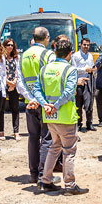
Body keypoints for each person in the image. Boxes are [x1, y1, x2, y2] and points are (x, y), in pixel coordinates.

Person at [34, 39, 88, 195]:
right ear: (70, 54)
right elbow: (68, 92)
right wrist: (55, 106)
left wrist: (46, 105)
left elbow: (37, 90)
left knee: (54, 146)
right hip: (65, 116)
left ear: (55, 52)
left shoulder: (44, 69)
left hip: (49, 116)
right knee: (69, 150)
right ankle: (70, 185)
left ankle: (46, 180)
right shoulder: (70, 70)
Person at [16, 27, 57, 184]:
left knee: (33, 138)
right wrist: (41, 100)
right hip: (46, 103)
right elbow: (52, 79)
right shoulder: (48, 54)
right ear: (46, 38)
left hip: (30, 103)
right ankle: (43, 174)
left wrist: (30, 98)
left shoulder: (23, 56)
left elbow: (19, 82)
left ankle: (33, 173)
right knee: (47, 138)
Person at [71, 37, 96, 132]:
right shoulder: (75, 56)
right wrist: (84, 70)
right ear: (81, 45)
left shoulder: (90, 56)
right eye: (84, 44)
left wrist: (93, 70)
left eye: (88, 45)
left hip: (89, 81)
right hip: (79, 82)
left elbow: (92, 66)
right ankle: (78, 124)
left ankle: (89, 123)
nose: (86, 46)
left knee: (89, 103)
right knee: (79, 103)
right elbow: (73, 69)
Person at [1, 38, 20, 140]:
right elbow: (1, 73)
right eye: (8, 45)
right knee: (1, 110)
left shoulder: (17, 58)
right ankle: (1, 132)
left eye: (12, 45)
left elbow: (18, 71)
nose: (10, 47)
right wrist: (8, 82)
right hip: (4, 85)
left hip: (14, 85)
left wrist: (14, 82)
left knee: (15, 109)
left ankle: (16, 132)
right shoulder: (1, 58)